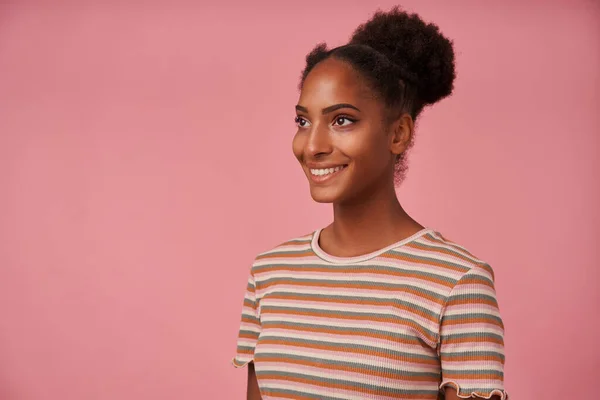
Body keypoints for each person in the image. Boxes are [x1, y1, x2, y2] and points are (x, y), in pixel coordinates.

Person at [232, 7, 507, 400]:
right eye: (303, 121)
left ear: (398, 133)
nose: (313, 146)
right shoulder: (270, 274)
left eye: (342, 120)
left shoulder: (456, 281)